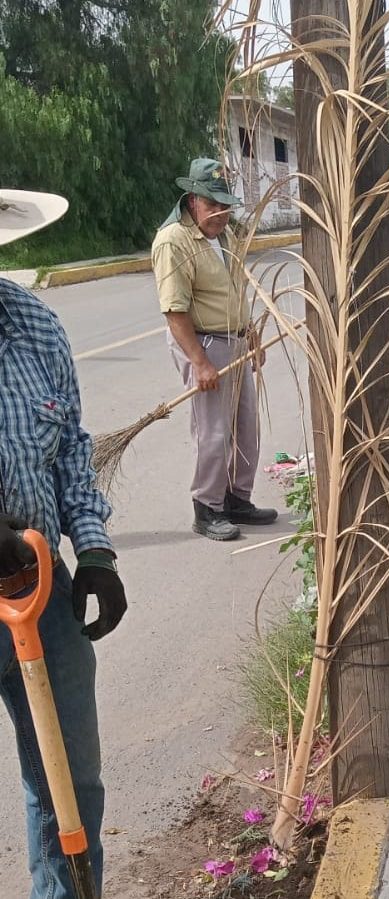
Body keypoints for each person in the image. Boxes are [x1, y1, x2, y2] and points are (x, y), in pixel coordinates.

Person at [0, 188, 127, 896]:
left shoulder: (35, 326)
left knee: (68, 785)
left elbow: (73, 451)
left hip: (36, 594)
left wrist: (96, 551)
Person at [151, 158, 277, 541]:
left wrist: (251, 334)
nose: (221, 213)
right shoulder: (174, 241)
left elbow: (235, 290)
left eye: (225, 205)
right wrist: (200, 362)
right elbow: (174, 310)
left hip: (234, 338)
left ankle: (236, 498)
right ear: (192, 200)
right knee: (213, 430)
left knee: (245, 426)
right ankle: (207, 507)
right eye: (212, 205)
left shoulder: (225, 237)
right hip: (204, 342)